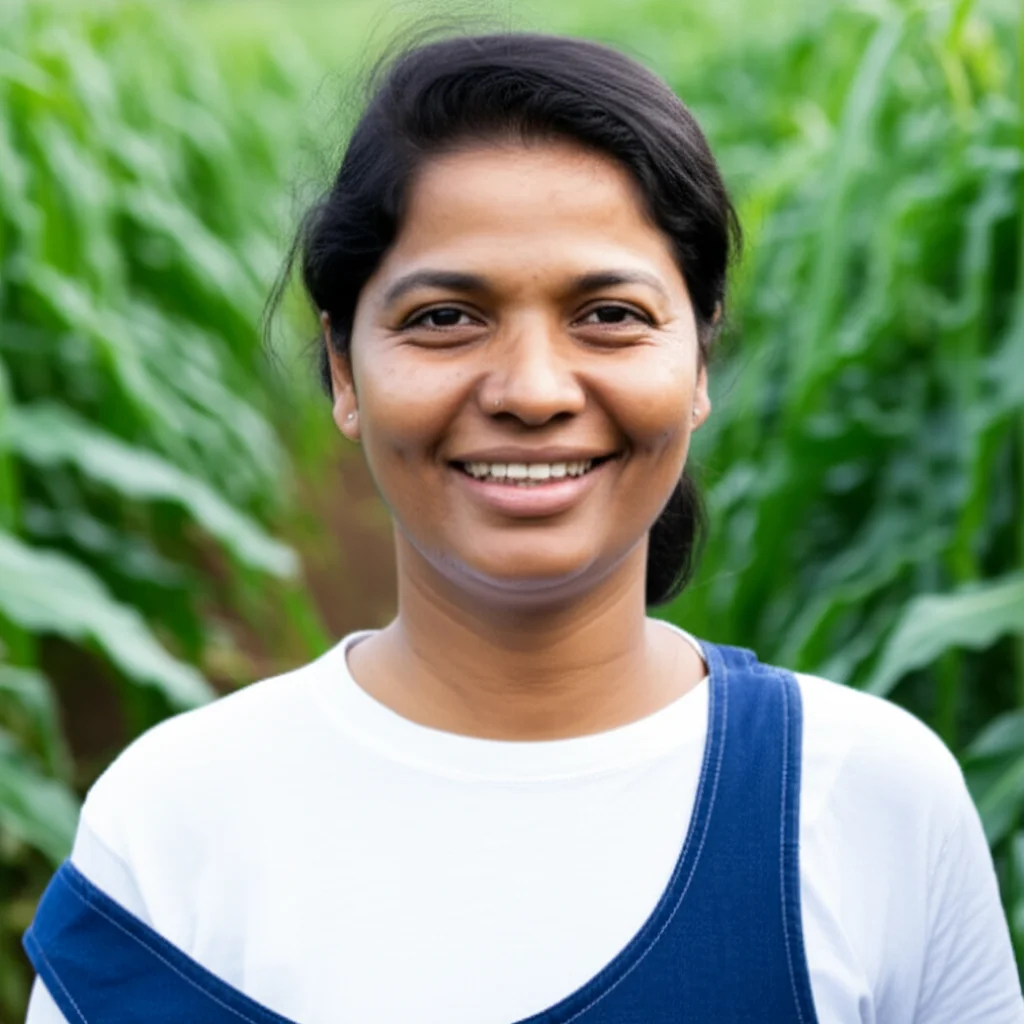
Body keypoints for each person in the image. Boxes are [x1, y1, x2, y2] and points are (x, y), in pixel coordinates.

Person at [23, 31, 1022, 1024]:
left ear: (701, 358)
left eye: (610, 314)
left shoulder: (868, 800)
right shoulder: (172, 820)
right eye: (445, 318)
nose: (534, 391)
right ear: (341, 368)